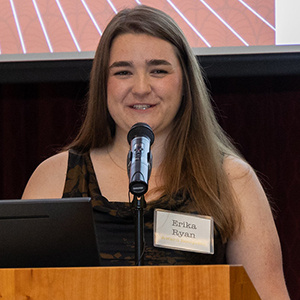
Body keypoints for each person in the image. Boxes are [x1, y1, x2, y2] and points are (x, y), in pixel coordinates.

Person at [22, 5, 290, 299]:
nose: (140, 87)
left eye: (158, 70)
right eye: (123, 71)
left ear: (185, 81)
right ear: (103, 84)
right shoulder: (54, 178)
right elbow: (20, 290)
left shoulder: (230, 181)